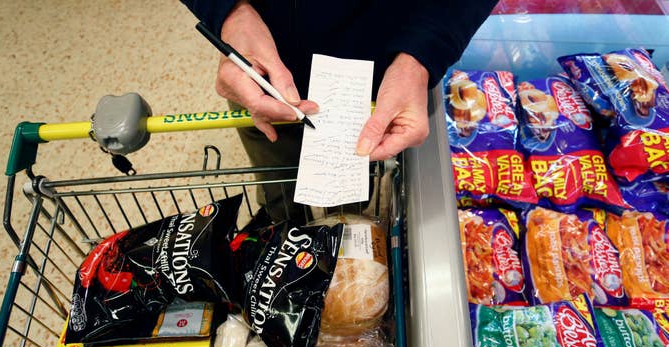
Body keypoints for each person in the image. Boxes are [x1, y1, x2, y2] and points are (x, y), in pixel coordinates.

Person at [181, 0, 497, 220]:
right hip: (260, 64)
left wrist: (421, 55)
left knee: (350, 197)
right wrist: (230, 13)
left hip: (380, 66)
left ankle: (342, 230)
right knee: (278, 177)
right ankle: (279, 225)